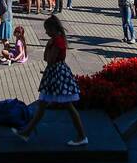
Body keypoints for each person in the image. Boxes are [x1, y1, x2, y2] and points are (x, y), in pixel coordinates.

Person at [11, 15, 87, 147]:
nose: (46, 32)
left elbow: (49, 59)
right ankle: (26, 132)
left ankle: (82, 136)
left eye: (47, 29)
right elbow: (48, 58)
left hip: (56, 73)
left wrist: (48, 47)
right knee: (44, 105)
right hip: (56, 72)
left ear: (53, 29)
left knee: (66, 105)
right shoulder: (58, 40)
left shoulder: (56, 42)